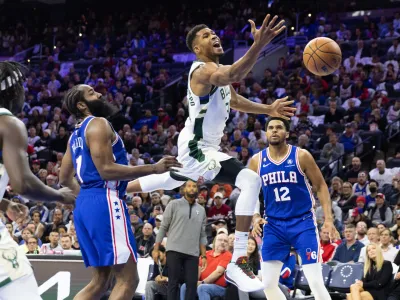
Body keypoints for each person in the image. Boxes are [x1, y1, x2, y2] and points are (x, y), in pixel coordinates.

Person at [127, 15, 295, 292]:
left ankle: (114, 189)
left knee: (171, 180)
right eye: (205, 35)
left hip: (195, 143)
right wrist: (258, 45)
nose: (213, 36)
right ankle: (239, 260)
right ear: (196, 47)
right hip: (197, 147)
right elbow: (234, 75)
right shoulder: (203, 71)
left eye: (213, 32)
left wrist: (268, 110)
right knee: (251, 181)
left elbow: (235, 98)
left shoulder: (215, 72)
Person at [59, 84, 181, 300]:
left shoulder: (74, 136)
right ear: (81, 104)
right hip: (105, 199)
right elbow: (106, 170)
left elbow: (64, 179)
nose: (99, 94)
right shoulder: (98, 123)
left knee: (100, 281)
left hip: (86, 203)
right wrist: (154, 167)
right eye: (92, 93)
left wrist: (88, 199)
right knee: (128, 279)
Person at [0, 61, 76, 299]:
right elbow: (22, 183)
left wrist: (4, 204)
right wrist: (60, 195)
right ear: (13, 91)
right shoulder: (8, 124)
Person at [251, 117, 338, 300]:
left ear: (287, 133)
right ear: (266, 133)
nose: (274, 131)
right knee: (267, 285)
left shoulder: (301, 156)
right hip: (273, 224)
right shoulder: (256, 161)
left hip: (302, 222)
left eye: (279, 127)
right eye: (271, 128)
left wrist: (328, 220)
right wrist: (255, 215)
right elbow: (249, 193)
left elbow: (321, 186)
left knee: (314, 282)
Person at [152, 180, 207, 300]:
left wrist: (204, 255)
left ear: (197, 189)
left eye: (194, 186)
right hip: (174, 250)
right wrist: (156, 249)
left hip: (192, 253)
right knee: (173, 283)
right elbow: (163, 227)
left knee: (192, 285)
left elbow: (202, 234)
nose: (192, 188)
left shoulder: (201, 210)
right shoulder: (174, 204)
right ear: (184, 189)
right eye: (189, 186)